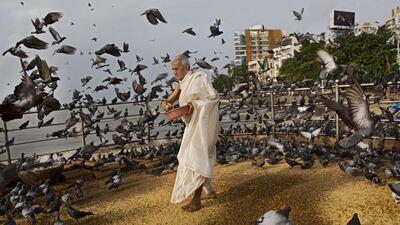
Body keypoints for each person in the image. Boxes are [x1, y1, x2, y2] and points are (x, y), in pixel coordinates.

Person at [161, 54, 219, 212]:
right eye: (172, 69)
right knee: (197, 157)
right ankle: (210, 192)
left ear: (185, 67)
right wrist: (166, 105)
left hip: (203, 126)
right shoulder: (181, 84)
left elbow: (213, 98)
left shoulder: (199, 78)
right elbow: (167, 102)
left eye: (176, 69)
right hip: (193, 126)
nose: (174, 72)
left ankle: (197, 200)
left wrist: (194, 104)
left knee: (196, 158)